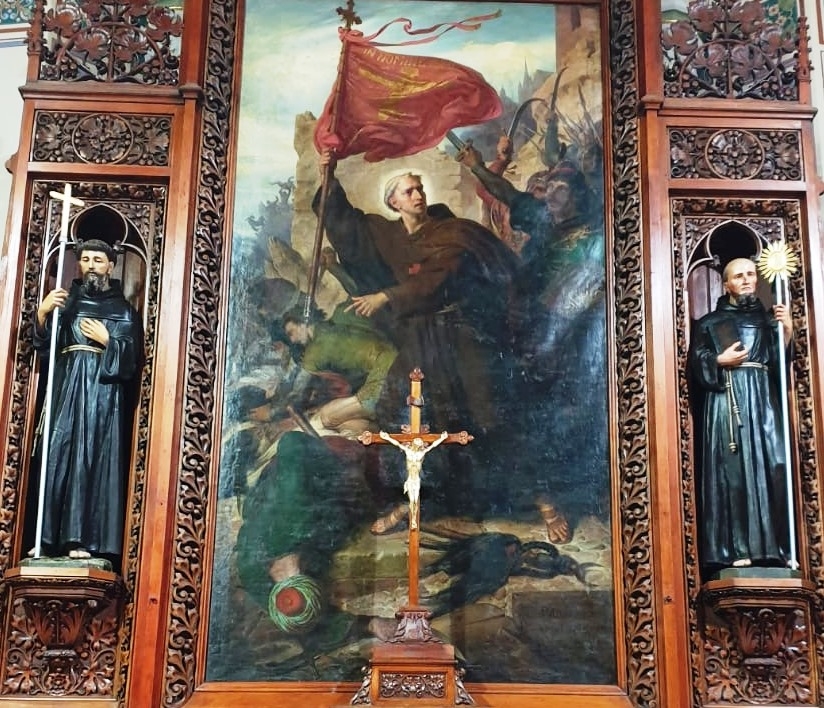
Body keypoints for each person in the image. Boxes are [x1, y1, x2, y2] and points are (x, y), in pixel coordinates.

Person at [313, 154, 521, 526]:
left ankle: (534, 496)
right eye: (408, 191)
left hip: (460, 334)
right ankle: (415, 498)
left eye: (419, 188)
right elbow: (348, 229)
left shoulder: (451, 231)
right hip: (422, 338)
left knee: (486, 411)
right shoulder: (388, 235)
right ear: (393, 201)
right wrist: (328, 178)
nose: (418, 195)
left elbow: (442, 276)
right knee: (401, 406)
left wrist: (387, 296)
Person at [457, 140, 608, 545]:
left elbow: (586, 289)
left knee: (564, 418)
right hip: (529, 331)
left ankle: (573, 497)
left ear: (579, 195)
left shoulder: (595, 235)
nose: (552, 195)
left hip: (571, 339)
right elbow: (509, 196)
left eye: (562, 189)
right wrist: (478, 166)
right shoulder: (544, 221)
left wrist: (550, 337)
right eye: (550, 188)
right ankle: (541, 497)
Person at [31, 238, 144, 562]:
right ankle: (45, 539)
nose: (91, 265)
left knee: (90, 460)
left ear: (111, 266)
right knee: (56, 457)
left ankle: (80, 539)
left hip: (101, 397)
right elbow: (44, 349)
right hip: (66, 389)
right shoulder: (65, 304)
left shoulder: (123, 311)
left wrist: (109, 341)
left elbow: (132, 361)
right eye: (86, 259)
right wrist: (42, 314)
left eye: (98, 259)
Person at [689, 257, 793, 572]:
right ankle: (735, 549)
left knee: (774, 464)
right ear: (726, 284)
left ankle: (774, 549)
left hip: (762, 399)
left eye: (751, 274)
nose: (746, 280)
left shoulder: (769, 321)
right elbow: (696, 362)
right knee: (732, 472)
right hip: (728, 399)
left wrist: (786, 332)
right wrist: (718, 361)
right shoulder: (710, 322)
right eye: (739, 276)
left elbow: (779, 365)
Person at [378, 431, 448, 529]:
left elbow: (433, 446)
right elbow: (397, 444)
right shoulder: (408, 452)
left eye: (420, 445)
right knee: (412, 500)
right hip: (410, 480)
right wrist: (386, 437)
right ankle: (413, 520)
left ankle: (414, 519)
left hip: (416, 480)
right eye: (417, 444)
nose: (418, 447)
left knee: (415, 500)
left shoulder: (421, 453)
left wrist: (442, 438)